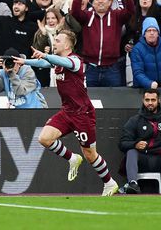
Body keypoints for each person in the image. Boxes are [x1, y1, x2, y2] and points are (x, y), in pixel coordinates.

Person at [16, 30, 120, 196]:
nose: (54, 43)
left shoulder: (75, 61)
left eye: (57, 41)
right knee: (44, 138)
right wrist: (24, 61)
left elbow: (55, 61)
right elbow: (44, 64)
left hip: (82, 113)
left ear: (67, 45)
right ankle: (72, 158)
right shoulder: (58, 62)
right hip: (67, 111)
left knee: (90, 154)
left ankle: (109, 183)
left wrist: (45, 56)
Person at [130, 17, 161, 92]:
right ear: (144, 34)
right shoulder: (137, 49)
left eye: (154, 30)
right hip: (143, 89)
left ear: (158, 33)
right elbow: (138, 72)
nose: (152, 33)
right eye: (149, 30)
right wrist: (149, 84)